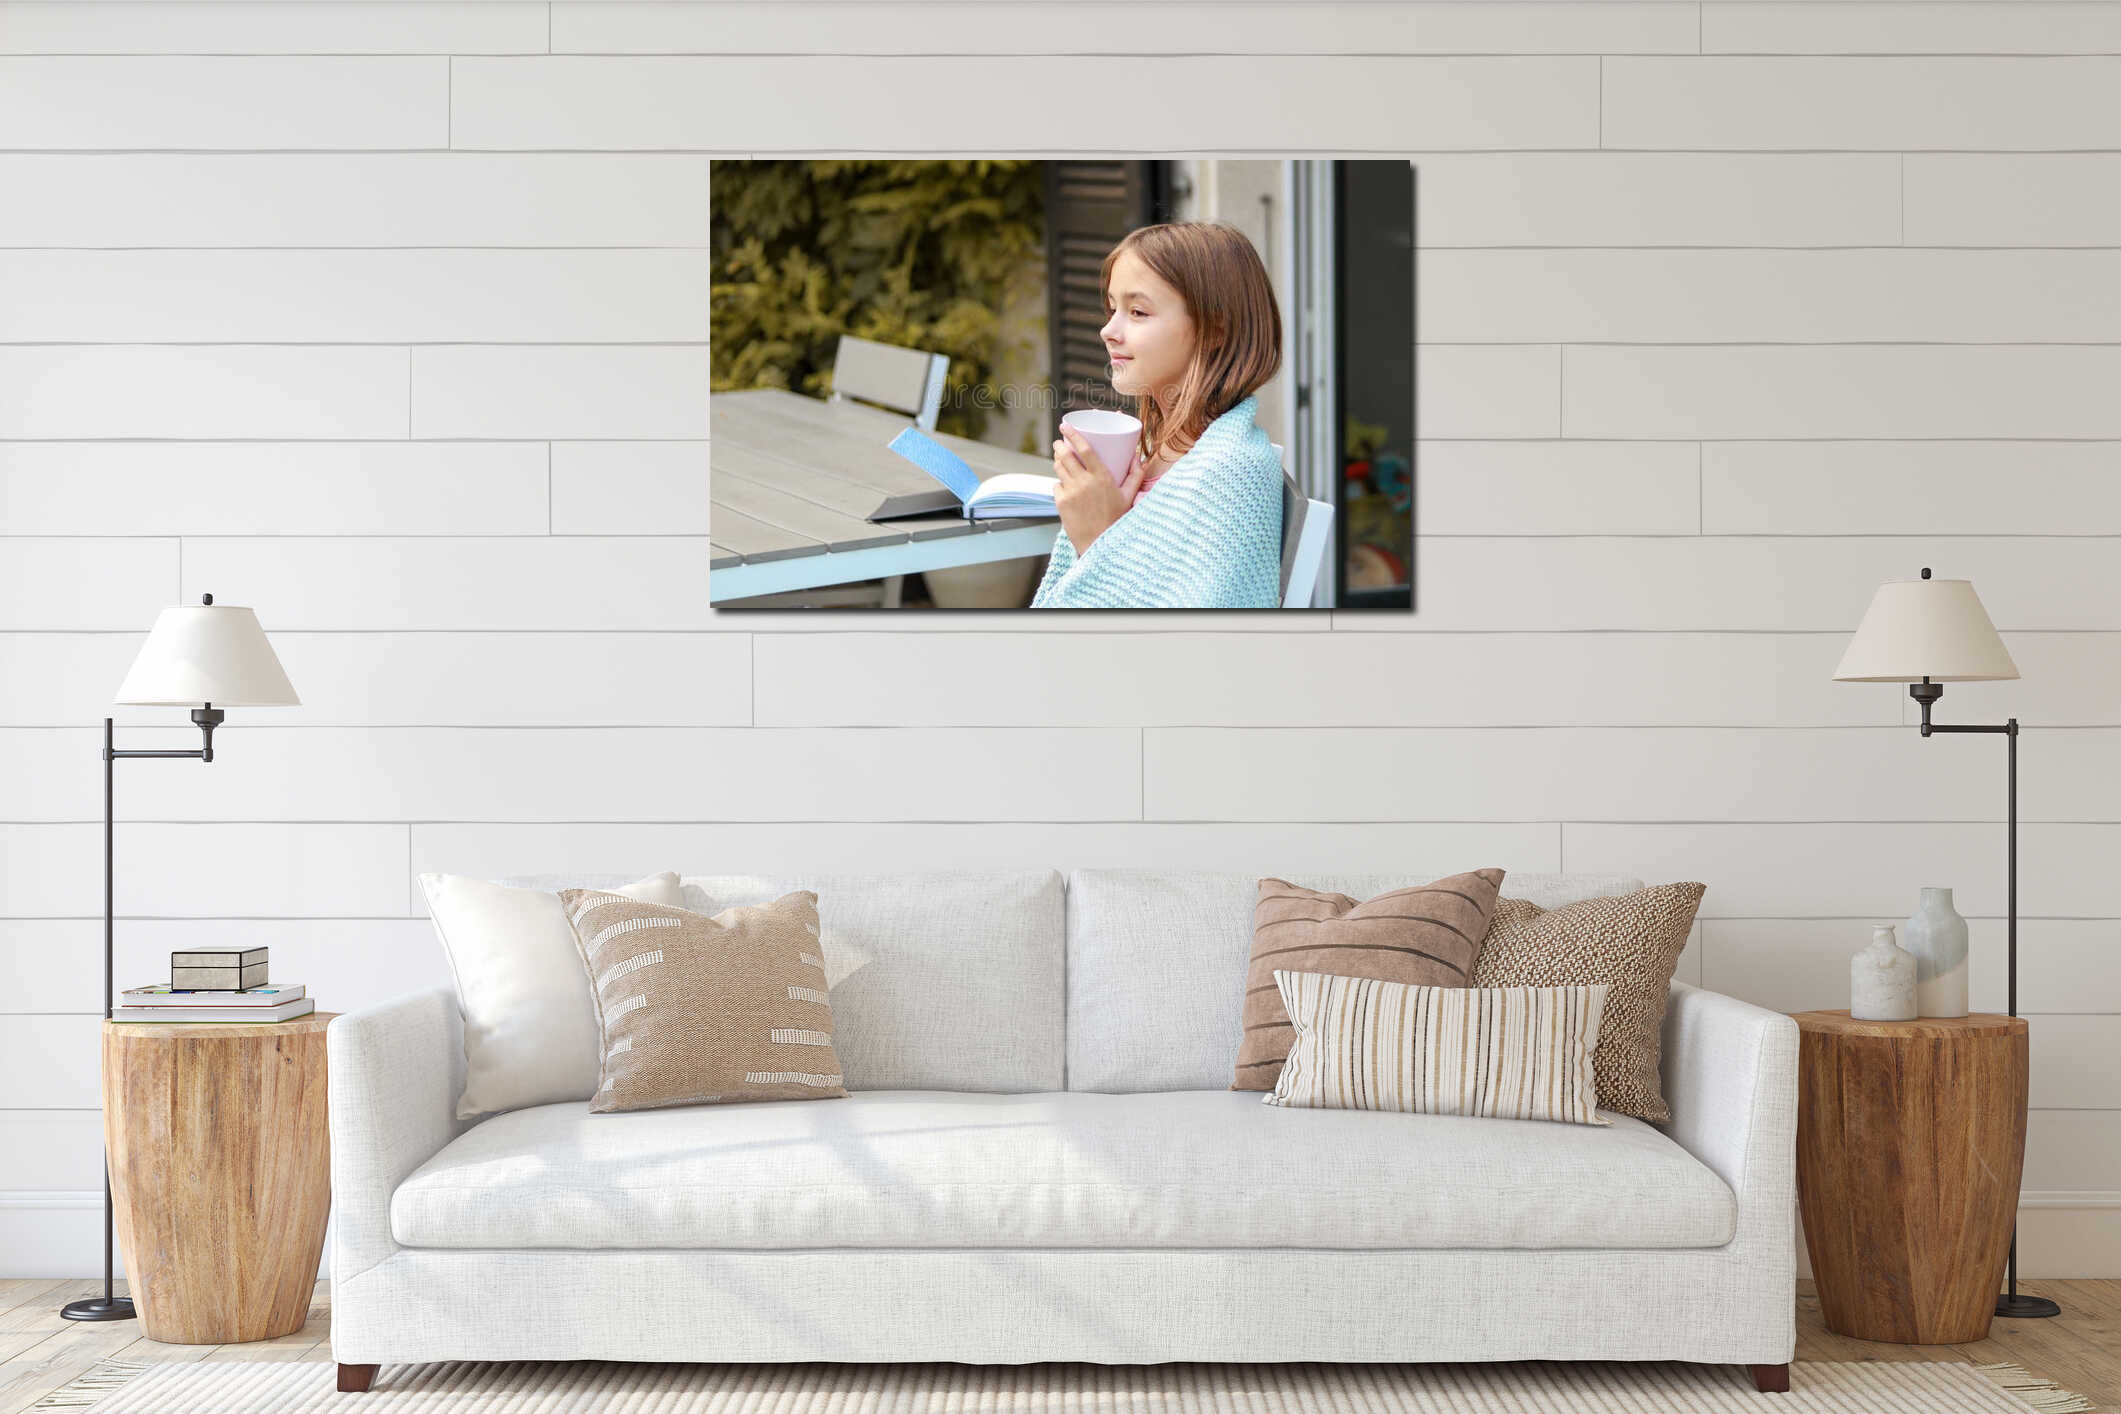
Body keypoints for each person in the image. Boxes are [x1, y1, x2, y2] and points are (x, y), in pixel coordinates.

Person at [1029, 222, 1285, 609]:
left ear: (1215, 329)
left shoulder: (1235, 474)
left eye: (1137, 311)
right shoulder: (1152, 451)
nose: (1108, 330)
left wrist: (1096, 539)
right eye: (1112, 309)